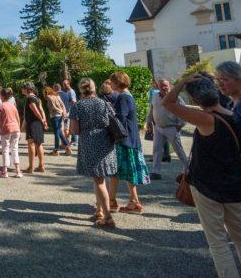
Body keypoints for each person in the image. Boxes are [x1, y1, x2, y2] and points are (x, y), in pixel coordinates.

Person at [162, 74, 241, 278]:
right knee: (239, 236)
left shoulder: (206, 119)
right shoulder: (234, 116)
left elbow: (168, 102)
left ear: (195, 99)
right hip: (236, 186)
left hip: (209, 188)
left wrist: (183, 81)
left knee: (217, 240)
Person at [69, 78, 118, 228]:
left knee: (98, 180)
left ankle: (108, 217)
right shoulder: (104, 103)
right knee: (101, 178)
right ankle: (99, 210)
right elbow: (112, 121)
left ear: (81, 89)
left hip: (90, 143)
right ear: (94, 88)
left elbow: (75, 130)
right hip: (105, 141)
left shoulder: (77, 106)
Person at [108, 71, 150, 214]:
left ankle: (112, 202)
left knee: (114, 170)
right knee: (128, 172)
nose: (110, 84)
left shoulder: (123, 98)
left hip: (124, 141)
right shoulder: (127, 95)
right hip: (131, 139)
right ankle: (134, 202)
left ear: (117, 82)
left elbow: (120, 119)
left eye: (111, 81)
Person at [146, 79, 188, 180]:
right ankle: (156, 172)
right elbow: (152, 109)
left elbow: (184, 111)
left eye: (165, 85)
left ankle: (188, 169)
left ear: (170, 86)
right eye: (161, 86)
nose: (164, 87)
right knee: (156, 150)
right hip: (158, 128)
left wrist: (180, 125)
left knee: (178, 149)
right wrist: (149, 121)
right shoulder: (155, 96)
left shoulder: (176, 98)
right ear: (158, 87)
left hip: (171, 127)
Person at [21, 82, 48, 173]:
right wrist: (44, 120)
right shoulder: (37, 98)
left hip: (32, 124)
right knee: (39, 144)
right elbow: (41, 110)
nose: (21, 89)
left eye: (23, 88)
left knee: (31, 144)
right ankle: (41, 166)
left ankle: (31, 167)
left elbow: (35, 111)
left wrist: (42, 120)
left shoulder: (30, 99)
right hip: (38, 124)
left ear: (27, 89)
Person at [0, 88, 22, 178]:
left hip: (6, 129)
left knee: (5, 150)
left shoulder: (1, 106)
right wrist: (19, 130)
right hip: (16, 129)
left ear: (2, 96)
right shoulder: (13, 106)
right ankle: (18, 171)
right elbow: (18, 118)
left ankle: (5, 171)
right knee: (15, 149)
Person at [44, 86, 71, 156]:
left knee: (56, 132)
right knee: (59, 132)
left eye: (45, 92)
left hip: (54, 116)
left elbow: (52, 107)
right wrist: (63, 112)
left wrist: (56, 111)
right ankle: (67, 145)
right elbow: (62, 104)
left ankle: (56, 150)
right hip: (60, 115)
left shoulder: (49, 97)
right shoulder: (57, 96)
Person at [60, 79, 78, 146]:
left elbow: (74, 101)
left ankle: (75, 141)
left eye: (65, 84)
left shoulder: (71, 91)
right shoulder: (65, 91)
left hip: (71, 111)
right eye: (63, 84)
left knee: (72, 126)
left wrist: (69, 101)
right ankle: (72, 141)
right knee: (70, 127)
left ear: (68, 84)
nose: (64, 86)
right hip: (67, 111)